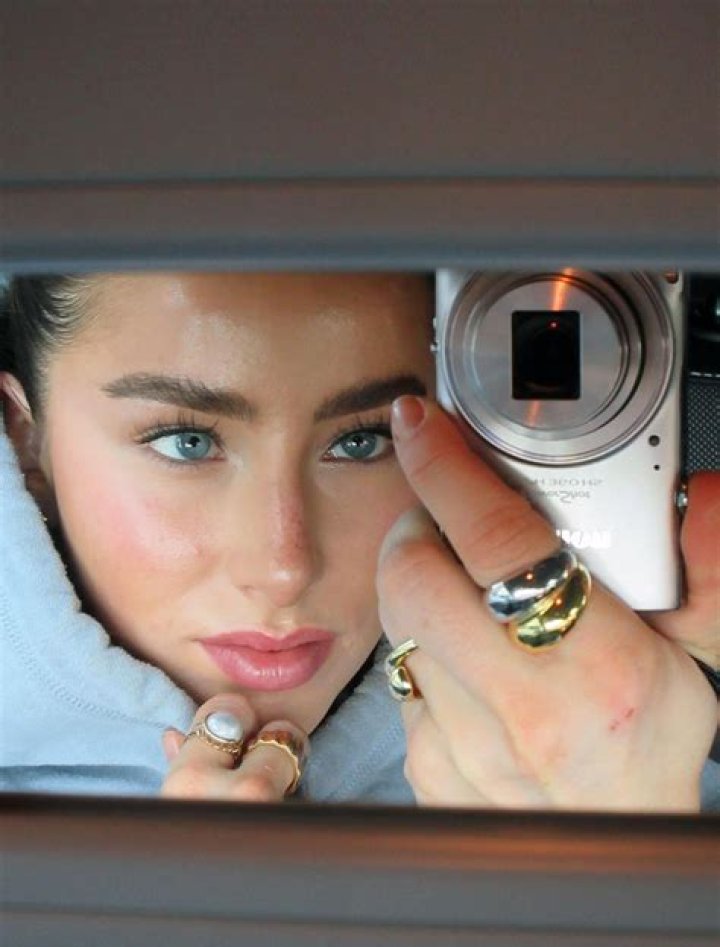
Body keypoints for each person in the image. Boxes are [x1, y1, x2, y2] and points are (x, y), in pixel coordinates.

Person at [0, 271, 717, 809]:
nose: (285, 568)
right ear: (25, 438)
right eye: (186, 443)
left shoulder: (667, 762)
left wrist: (623, 865)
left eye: (362, 441)